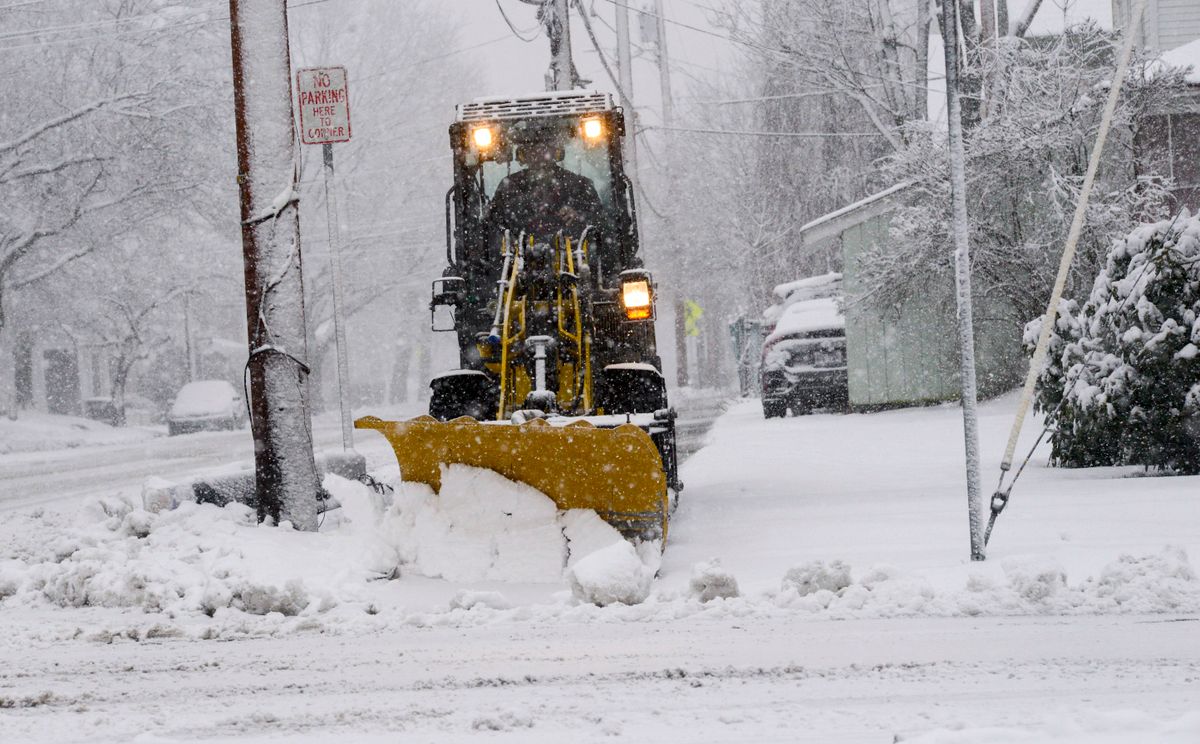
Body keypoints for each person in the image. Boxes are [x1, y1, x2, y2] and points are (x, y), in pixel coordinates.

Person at [486, 140, 604, 245]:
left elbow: (600, 220)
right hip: (518, 260)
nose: (538, 154)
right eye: (532, 149)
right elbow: (493, 224)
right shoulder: (509, 186)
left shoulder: (579, 185)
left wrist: (578, 216)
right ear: (522, 154)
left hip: (575, 258)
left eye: (544, 148)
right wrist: (512, 238)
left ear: (556, 152)